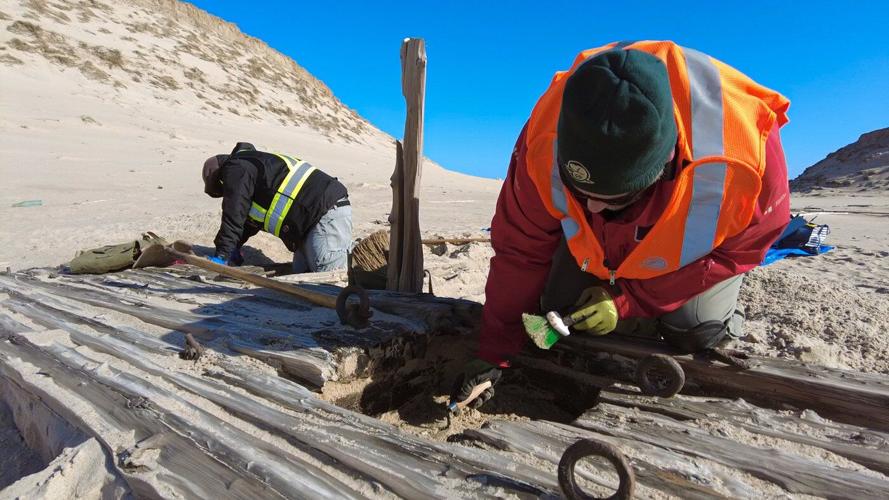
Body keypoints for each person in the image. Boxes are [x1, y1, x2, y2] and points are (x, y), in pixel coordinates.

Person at [451, 41, 791, 409]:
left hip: (691, 257)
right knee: (559, 309)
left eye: (613, 199)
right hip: (601, 247)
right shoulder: (544, 136)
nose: (593, 205)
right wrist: (494, 351)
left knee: (694, 328)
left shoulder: (744, 155)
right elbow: (520, 251)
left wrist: (628, 301)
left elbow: (741, 248)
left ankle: (691, 317)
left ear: (664, 168)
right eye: (579, 193)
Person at [201, 142, 352, 272]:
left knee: (327, 273)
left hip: (326, 210)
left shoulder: (236, 167)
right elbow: (246, 220)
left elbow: (234, 212)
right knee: (302, 272)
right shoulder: (253, 166)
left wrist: (222, 255)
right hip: (309, 221)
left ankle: (363, 259)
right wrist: (234, 246)